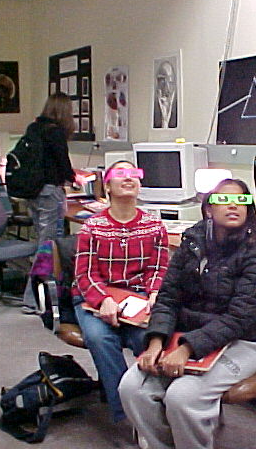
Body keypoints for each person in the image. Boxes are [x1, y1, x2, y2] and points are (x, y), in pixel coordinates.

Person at [118, 178, 256, 449]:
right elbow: (168, 297)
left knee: (182, 397)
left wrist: (187, 349)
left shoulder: (255, 252)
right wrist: (156, 342)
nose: (233, 205)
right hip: (185, 336)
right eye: (224, 200)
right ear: (209, 208)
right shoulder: (192, 243)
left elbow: (240, 317)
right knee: (132, 388)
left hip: (241, 342)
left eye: (241, 200)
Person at [72, 160, 169, 423]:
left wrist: (155, 293)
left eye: (134, 173)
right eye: (120, 174)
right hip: (94, 297)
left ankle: (157, 404)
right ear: (107, 186)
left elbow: (158, 269)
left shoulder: (155, 226)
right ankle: (125, 413)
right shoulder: (92, 226)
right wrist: (103, 300)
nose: (128, 178)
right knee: (100, 338)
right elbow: (84, 274)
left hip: (136, 298)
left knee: (149, 339)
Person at [21, 92, 87, 312]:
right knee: (48, 247)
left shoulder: (34, 128)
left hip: (34, 194)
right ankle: (32, 299)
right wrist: (76, 179)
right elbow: (63, 166)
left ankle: (50, 294)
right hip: (50, 194)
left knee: (45, 242)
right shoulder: (55, 132)